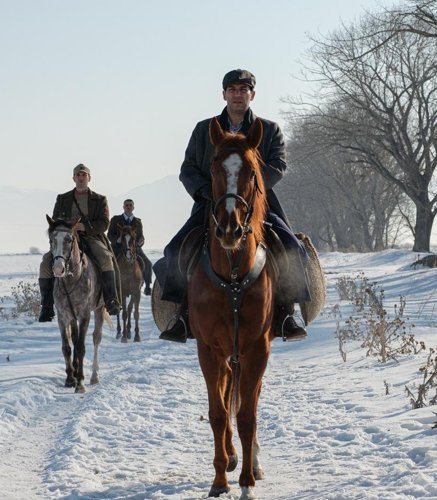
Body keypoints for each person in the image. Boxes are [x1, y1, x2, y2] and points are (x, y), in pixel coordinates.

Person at [154, 68, 310, 343]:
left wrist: (253, 189)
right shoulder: (205, 129)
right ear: (224, 94)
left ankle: (286, 313)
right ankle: (181, 314)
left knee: (291, 248)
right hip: (211, 204)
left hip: (257, 205)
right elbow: (188, 168)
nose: (238, 95)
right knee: (176, 249)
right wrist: (206, 192)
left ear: (252, 94)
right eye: (232, 90)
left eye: (243, 90)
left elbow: (279, 165)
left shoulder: (269, 129)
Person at [37, 163, 122, 322]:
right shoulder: (62, 199)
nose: (81, 178)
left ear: (89, 178)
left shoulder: (100, 199)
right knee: (45, 263)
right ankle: (47, 306)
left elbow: (104, 223)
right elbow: (55, 222)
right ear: (73, 178)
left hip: (91, 237)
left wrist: (85, 227)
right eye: (78, 175)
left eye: (84, 175)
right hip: (67, 239)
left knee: (105, 258)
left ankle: (111, 300)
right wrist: (69, 228)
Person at [108, 199, 153, 295]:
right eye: (127, 205)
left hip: (134, 248)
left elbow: (141, 235)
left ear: (133, 208)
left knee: (148, 264)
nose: (128, 207)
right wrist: (117, 240)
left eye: (130, 205)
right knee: (109, 265)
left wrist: (141, 241)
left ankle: (148, 286)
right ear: (123, 207)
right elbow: (109, 235)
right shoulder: (115, 219)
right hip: (118, 248)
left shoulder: (137, 222)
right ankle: (109, 288)